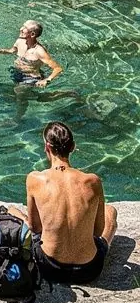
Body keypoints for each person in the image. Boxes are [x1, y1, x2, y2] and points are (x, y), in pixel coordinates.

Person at [9, 122, 117, 285]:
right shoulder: (93, 181)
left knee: (13, 211)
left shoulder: (35, 179)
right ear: (73, 147)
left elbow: (35, 228)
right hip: (89, 270)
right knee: (111, 211)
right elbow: (98, 230)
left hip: (50, 268)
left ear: (47, 147)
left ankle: (14, 212)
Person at [0, 20, 63, 106]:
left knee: (19, 94)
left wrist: (47, 80)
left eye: (25, 28)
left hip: (30, 78)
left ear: (32, 34)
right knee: (32, 97)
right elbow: (11, 51)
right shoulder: (20, 41)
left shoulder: (39, 51)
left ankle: (18, 117)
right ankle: (66, 94)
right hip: (17, 73)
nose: (21, 29)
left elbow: (58, 68)